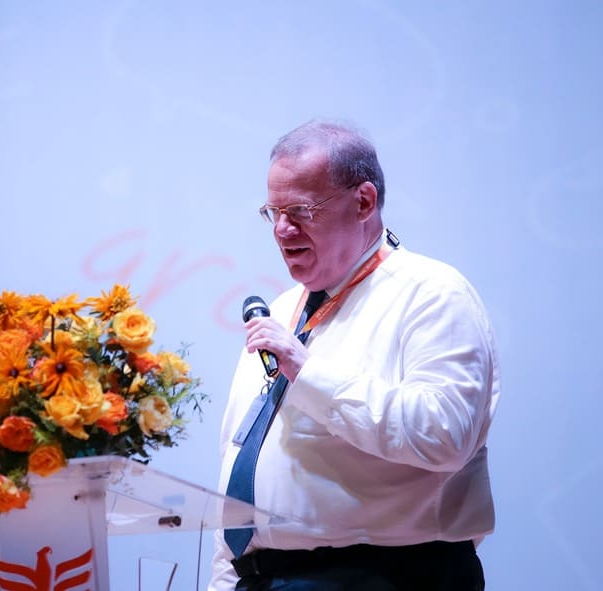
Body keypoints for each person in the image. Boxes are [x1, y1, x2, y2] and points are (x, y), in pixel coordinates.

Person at [210, 118, 499, 591]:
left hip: (386, 576)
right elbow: (239, 462)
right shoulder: (282, 310)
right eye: (273, 212)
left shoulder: (432, 294)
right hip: (261, 578)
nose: (282, 229)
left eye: (300, 210)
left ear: (363, 201)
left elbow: (444, 436)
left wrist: (306, 371)